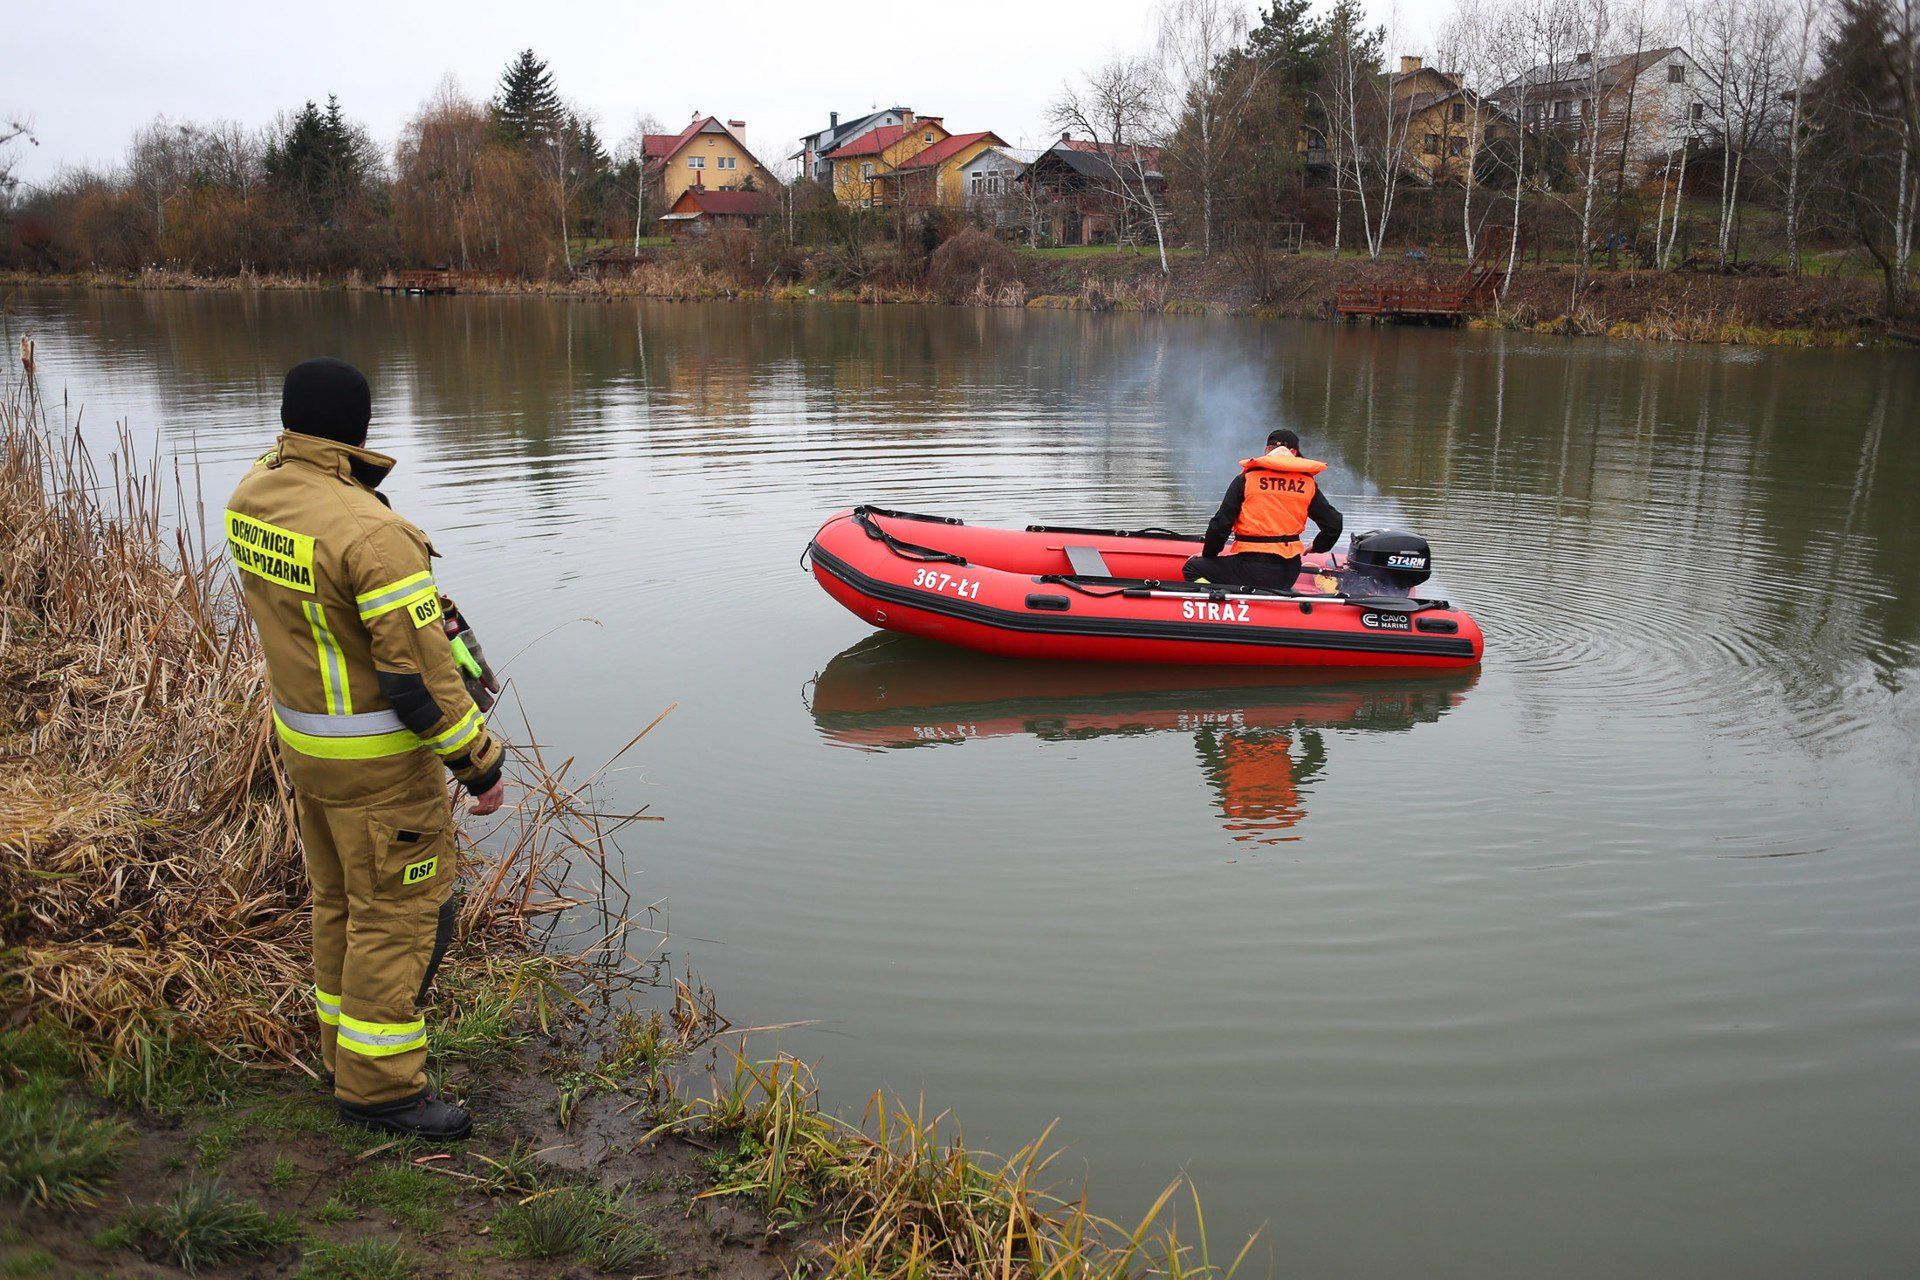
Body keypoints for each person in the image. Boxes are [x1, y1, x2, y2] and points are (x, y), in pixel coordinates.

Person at [225, 358, 505, 1141]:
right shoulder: (373, 534)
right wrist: (479, 764)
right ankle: (382, 1090)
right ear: (358, 429)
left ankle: (340, 1052)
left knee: (340, 905)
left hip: (307, 754)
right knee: (403, 915)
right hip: (381, 772)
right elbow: (418, 680)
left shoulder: (255, 494)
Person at [1183, 429, 1343, 591]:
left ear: (1267, 451)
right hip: (1289, 571)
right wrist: (1317, 546)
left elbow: (1220, 525)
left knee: (1192, 568)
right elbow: (1334, 524)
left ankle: (1218, 601)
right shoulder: (1307, 483)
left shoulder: (1246, 480)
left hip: (1253, 567)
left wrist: (1209, 557)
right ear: (1294, 453)